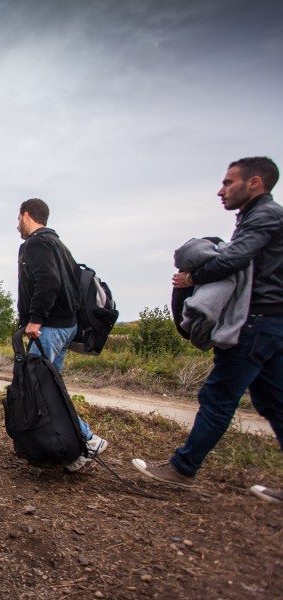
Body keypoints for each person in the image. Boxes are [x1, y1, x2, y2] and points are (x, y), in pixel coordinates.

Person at [133, 157, 283, 503]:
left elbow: (236, 258)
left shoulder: (264, 216)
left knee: (218, 397)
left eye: (229, 182)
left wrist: (193, 277)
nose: (221, 190)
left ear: (255, 183)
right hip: (271, 323)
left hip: (255, 322)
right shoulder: (260, 216)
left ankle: (182, 468)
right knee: (274, 403)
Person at [16, 198, 107, 470]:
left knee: (37, 386)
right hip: (65, 325)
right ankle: (66, 445)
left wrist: (35, 319)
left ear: (26, 215)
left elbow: (49, 281)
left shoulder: (37, 243)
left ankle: (85, 439)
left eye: (18, 218)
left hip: (50, 327)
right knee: (49, 386)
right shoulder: (59, 244)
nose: (17, 225)